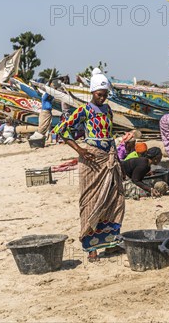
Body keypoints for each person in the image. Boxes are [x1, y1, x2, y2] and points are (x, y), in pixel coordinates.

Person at [51, 68, 125, 262]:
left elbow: (109, 134)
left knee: (113, 199)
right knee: (90, 201)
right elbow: (62, 130)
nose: (102, 98)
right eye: (100, 95)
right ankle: (91, 248)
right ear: (92, 93)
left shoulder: (108, 109)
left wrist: (116, 157)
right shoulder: (84, 110)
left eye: (105, 95)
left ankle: (109, 243)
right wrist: (79, 150)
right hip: (92, 159)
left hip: (109, 158)